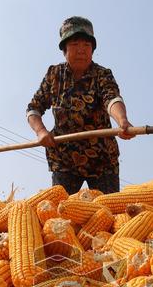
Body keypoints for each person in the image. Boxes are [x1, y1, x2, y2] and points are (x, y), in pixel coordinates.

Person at [27, 16, 133, 194]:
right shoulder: (54, 75)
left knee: (109, 214)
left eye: (86, 45)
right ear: (64, 49)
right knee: (62, 213)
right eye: (75, 45)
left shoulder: (102, 74)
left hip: (102, 158)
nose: (82, 50)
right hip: (64, 159)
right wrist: (41, 131)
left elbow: (112, 99)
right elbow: (33, 109)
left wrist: (122, 121)